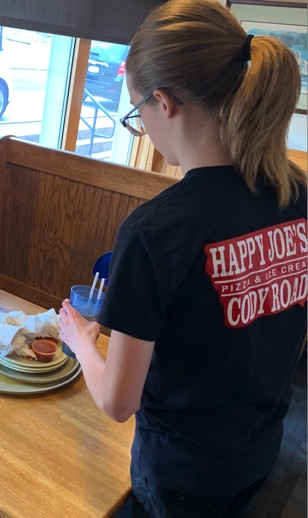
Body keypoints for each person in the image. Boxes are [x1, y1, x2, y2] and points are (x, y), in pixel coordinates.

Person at [57, 1, 307, 516]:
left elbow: (117, 403)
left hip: (181, 473)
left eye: (136, 112)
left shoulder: (154, 231)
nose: (141, 125)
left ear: (163, 103)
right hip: (261, 450)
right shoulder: (297, 195)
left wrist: (82, 343)